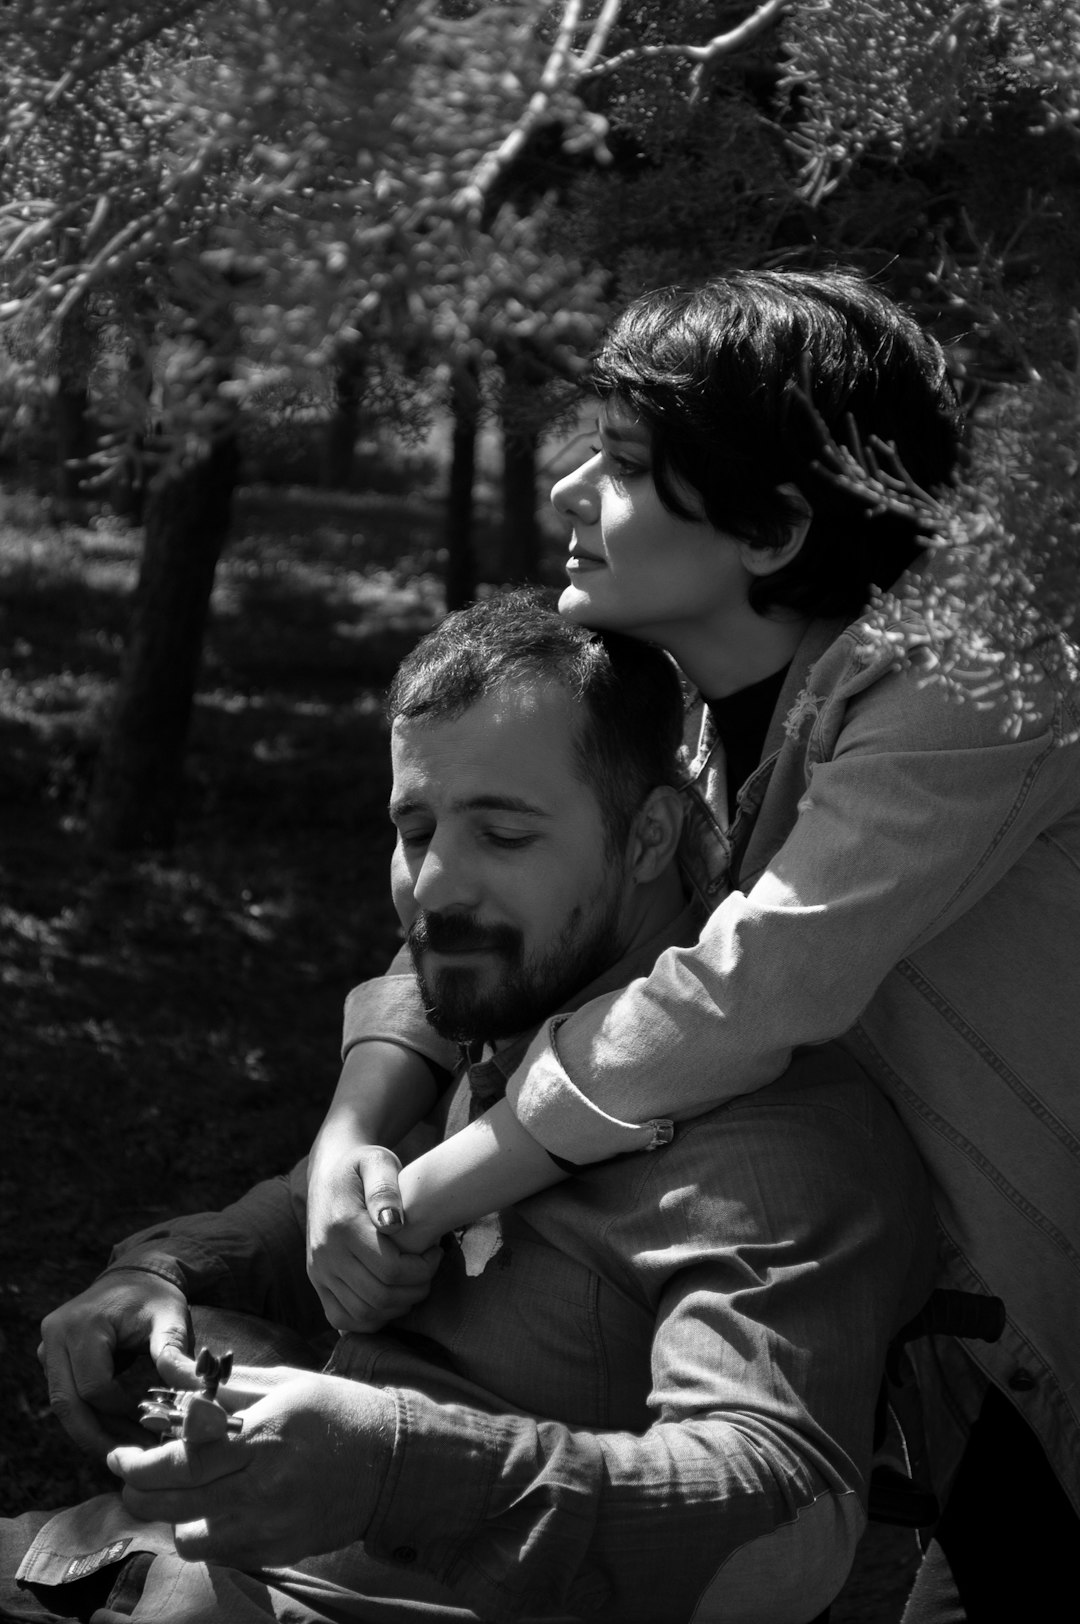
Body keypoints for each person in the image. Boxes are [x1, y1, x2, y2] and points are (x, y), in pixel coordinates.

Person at [305, 271, 1080, 1620]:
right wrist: (351, 1136)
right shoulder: (705, 715)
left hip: (1017, 1313)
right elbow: (503, 919)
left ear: (774, 525)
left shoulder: (979, 685)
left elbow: (740, 990)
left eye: (618, 463)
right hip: (893, 1323)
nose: (565, 496)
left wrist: (426, 1197)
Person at [4, 594, 937, 1624]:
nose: (434, 886)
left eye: (501, 831)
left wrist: (394, 1465)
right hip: (130, 1566)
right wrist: (165, 1269)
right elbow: (346, 1212)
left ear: (648, 836)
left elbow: (775, 1508)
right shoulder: (514, 1003)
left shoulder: (773, 1140)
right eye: (414, 827)